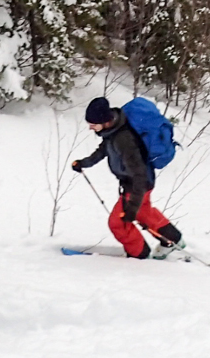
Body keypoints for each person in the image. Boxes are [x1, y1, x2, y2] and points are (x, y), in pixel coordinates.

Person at [70, 96, 183, 259]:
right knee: (143, 214)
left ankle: (139, 253)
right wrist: (84, 163)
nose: (90, 128)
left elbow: (139, 174)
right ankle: (174, 239)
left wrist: (131, 207)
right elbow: (103, 150)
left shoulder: (124, 140)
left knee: (117, 223)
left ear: (104, 121)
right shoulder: (112, 131)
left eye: (93, 124)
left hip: (138, 185)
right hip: (139, 183)